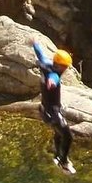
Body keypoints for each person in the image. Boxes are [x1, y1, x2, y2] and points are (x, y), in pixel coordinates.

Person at [33, 40, 76, 174]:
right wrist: (52, 82)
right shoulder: (54, 75)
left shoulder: (46, 64)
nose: (66, 69)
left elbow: (40, 54)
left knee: (58, 132)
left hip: (45, 110)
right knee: (68, 137)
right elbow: (53, 78)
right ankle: (64, 162)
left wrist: (35, 44)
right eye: (65, 67)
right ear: (59, 66)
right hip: (52, 113)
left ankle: (57, 155)